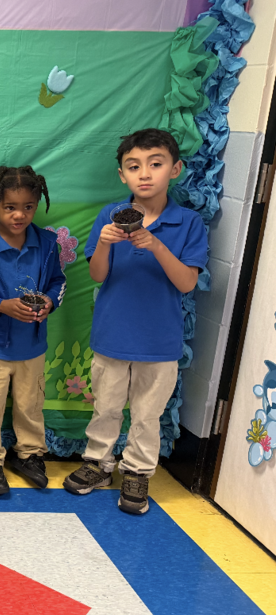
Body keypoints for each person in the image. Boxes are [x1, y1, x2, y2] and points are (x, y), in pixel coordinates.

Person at [64, 129, 207, 514]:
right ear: (122, 175)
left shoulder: (188, 223)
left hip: (160, 342)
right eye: (134, 166)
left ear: (174, 169)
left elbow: (187, 282)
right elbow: (97, 275)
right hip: (111, 336)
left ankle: (139, 471)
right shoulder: (109, 216)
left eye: (155, 164)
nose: (145, 174)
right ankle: (97, 463)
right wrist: (108, 243)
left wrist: (155, 245)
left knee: (147, 414)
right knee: (106, 407)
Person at [0, 165, 67, 495]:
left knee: (30, 405)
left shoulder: (48, 244)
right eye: (10, 207)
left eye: (28, 207)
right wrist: (1, 306)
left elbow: (58, 283)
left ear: (36, 205)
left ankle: (31, 454)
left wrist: (50, 302)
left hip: (32, 346)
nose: (19, 215)